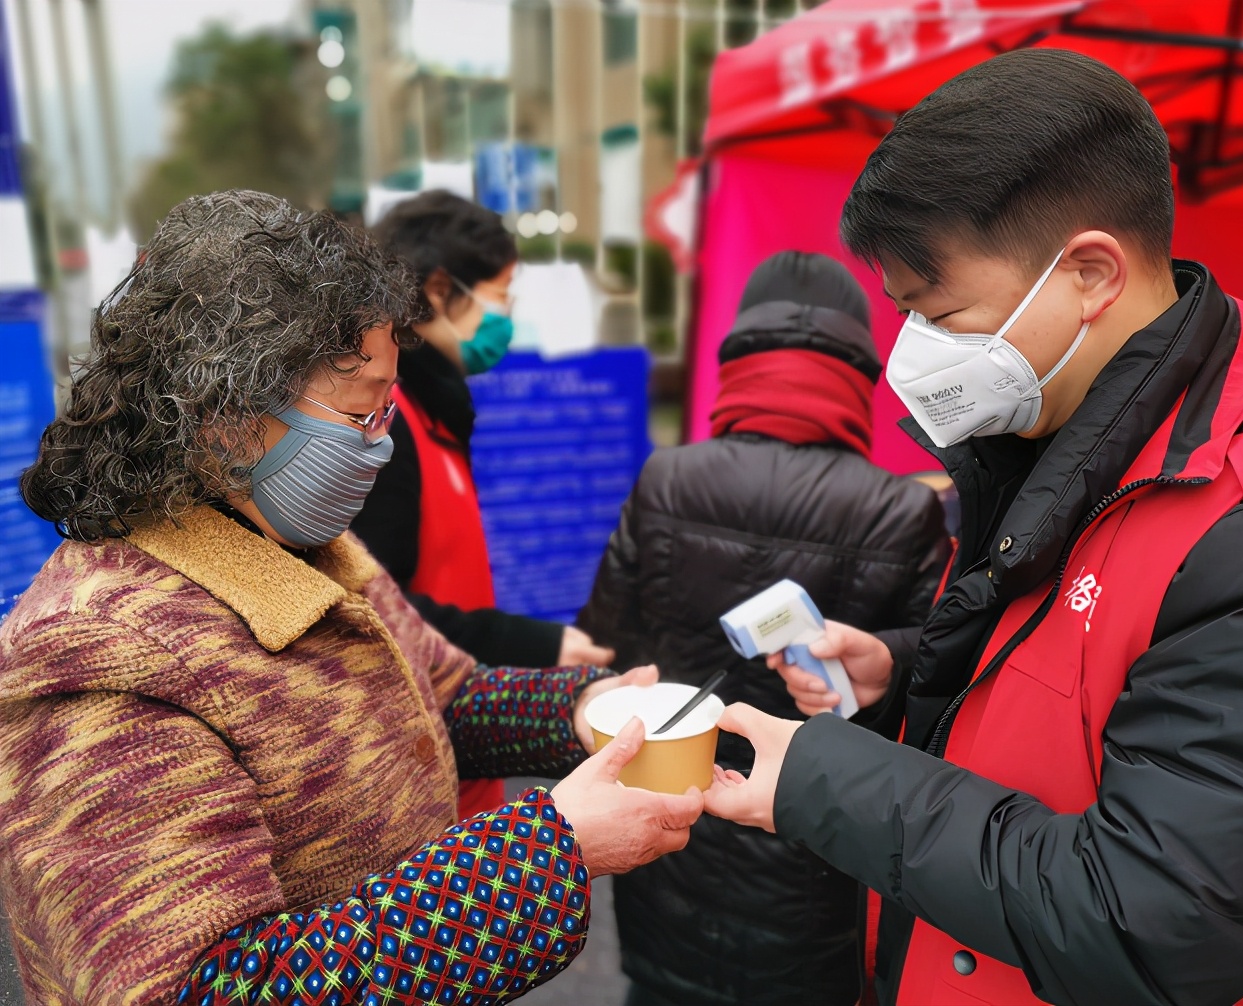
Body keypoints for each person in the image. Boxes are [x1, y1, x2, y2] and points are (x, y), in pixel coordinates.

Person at [703, 49, 1243, 1006]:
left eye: (943, 312)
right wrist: (908, 669)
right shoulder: (1055, 432)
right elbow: (1096, 664)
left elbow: (1161, 912)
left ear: (1089, 273)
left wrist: (825, 781)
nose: (914, 355)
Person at [0, 190, 701, 1005]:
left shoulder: (310, 546)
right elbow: (198, 988)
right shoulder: (100, 659)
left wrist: (582, 713)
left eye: (389, 409)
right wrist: (546, 854)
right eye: (362, 413)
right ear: (224, 416)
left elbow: (441, 694)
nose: (383, 444)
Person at [578, 251, 951, 1006]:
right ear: (859, 374)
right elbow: (932, 685)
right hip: (813, 850)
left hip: (666, 829)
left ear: (738, 360)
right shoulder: (902, 509)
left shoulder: (668, 477)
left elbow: (606, 640)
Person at [354, 190, 612, 671]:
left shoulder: (434, 411)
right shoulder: (386, 423)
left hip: (460, 693)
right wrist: (524, 644)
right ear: (437, 290)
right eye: (500, 294)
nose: (507, 316)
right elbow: (374, 608)